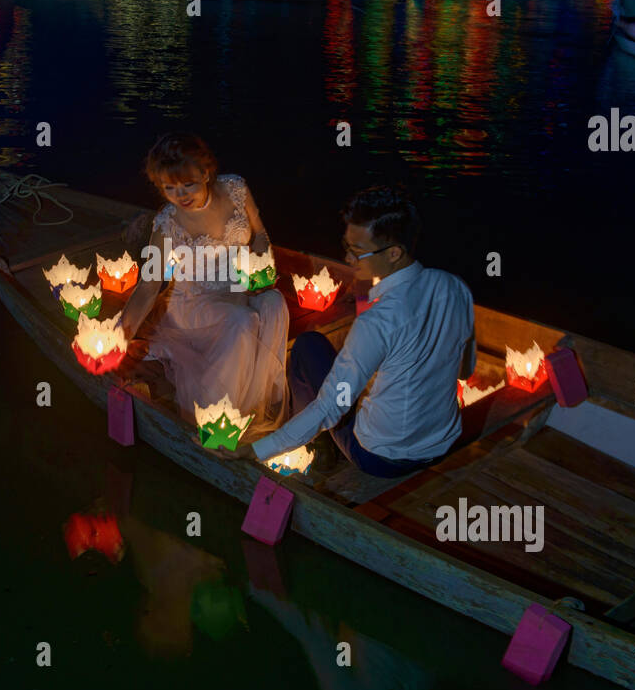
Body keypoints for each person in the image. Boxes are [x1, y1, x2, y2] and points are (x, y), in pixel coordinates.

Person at [245, 186, 474, 478]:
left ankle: (319, 446)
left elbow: (330, 406)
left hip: (381, 458)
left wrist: (255, 450)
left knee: (308, 346)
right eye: (347, 247)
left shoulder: (377, 321)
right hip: (442, 443)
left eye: (357, 252)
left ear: (394, 252)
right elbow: (465, 371)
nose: (350, 260)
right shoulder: (454, 287)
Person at [120, 133, 288, 435]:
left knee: (275, 303)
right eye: (169, 188)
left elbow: (260, 234)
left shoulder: (236, 188)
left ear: (206, 173)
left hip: (241, 287)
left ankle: (259, 400)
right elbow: (149, 285)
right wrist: (120, 334)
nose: (180, 195)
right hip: (194, 302)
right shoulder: (169, 222)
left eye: (188, 184)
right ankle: (213, 416)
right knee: (242, 319)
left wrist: (263, 265)